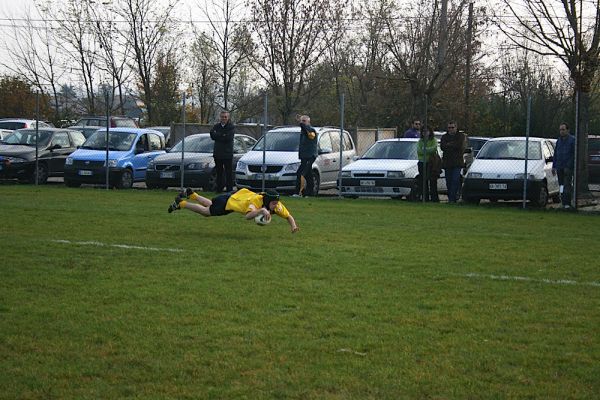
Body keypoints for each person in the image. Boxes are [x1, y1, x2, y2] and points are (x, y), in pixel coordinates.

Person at [168, 187, 300, 233]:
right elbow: (248, 217)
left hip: (232, 198)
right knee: (206, 212)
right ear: (266, 201)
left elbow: (288, 216)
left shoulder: (276, 205)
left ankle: (192, 194)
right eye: (273, 203)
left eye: (276, 203)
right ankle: (182, 204)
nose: (275, 206)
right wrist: (261, 211)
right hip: (229, 202)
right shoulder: (256, 202)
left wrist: (293, 226)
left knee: (210, 205)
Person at [440, 121, 467, 203]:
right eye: (449, 128)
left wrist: (449, 145)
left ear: (456, 127)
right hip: (447, 162)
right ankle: (451, 198)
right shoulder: (444, 136)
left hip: (457, 162)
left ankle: (453, 198)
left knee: (455, 180)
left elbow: (458, 146)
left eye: (452, 127)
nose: (450, 129)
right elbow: (443, 147)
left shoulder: (461, 136)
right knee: (448, 181)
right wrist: (451, 145)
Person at [210, 110, 235, 192]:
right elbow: (212, 135)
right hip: (217, 153)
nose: (223, 118)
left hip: (227, 154)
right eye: (222, 117)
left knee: (228, 173)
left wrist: (218, 135)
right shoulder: (216, 126)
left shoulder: (231, 127)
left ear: (228, 118)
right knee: (219, 172)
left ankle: (229, 190)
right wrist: (222, 135)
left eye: (225, 117)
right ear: (220, 117)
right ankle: (219, 189)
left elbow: (228, 138)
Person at [552, 122, 576, 209]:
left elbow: (574, 154)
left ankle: (568, 203)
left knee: (567, 185)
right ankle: (563, 202)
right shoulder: (559, 141)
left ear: (567, 130)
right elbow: (555, 154)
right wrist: (554, 166)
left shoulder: (572, 140)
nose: (561, 131)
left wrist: (569, 165)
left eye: (563, 129)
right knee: (561, 185)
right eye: (560, 130)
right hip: (559, 167)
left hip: (568, 168)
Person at [295, 114, 318, 196]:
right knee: (308, 175)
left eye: (304, 121)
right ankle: (310, 193)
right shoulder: (303, 131)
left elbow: (306, 131)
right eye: (301, 121)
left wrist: (301, 124)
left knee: (301, 173)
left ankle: (299, 193)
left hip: (310, 156)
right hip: (304, 157)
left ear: (309, 122)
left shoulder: (311, 131)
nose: (302, 123)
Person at [416, 128, 439, 202]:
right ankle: (425, 198)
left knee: (433, 181)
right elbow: (419, 151)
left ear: (430, 132)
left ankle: (434, 199)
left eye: (426, 131)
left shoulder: (433, 140)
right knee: (423, 181)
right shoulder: (420, 141)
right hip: (422, 162)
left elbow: (434, 149)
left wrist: (425, 149)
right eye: (423, 131)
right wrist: (427, 150)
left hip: (431, 163)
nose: (425, 133)